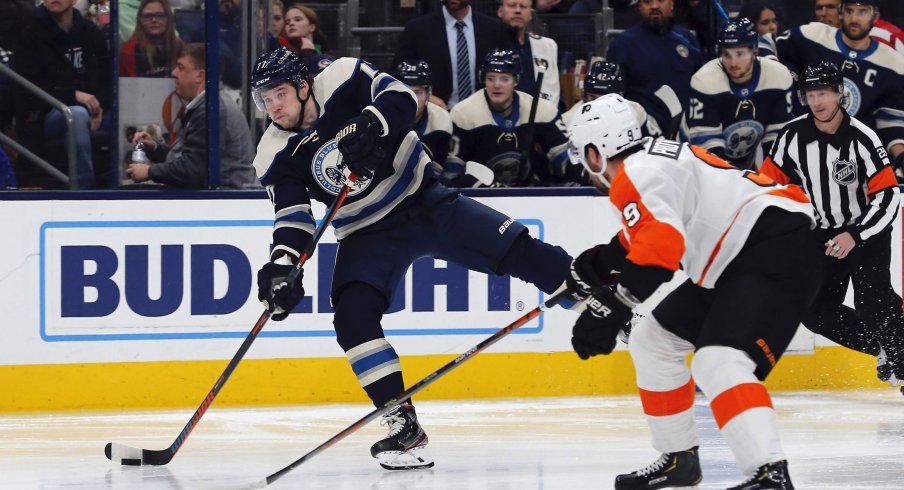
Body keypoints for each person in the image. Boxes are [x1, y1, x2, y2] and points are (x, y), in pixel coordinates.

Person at [250, 47, 576, 470]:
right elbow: (292, 216)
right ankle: (402, 426)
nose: (273, 106)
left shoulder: (344, 77)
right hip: (366, 234)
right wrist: (282, 265)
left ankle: (611, 306)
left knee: (518, 249)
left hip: (425, 201)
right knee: (352, 319)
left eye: (279, 94)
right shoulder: (272, 152)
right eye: (264, 99)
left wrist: (370, 123)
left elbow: (401, 96)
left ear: (302, 85)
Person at [565, 93, 818, 489]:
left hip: (772, 247)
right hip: (738, 254)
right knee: (654, 339)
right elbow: (656, 227)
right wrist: (600, 263)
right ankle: (679, 458)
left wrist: (610, 307)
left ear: (596, 153)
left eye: (581, 152)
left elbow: (663, 248)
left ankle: (769, 473)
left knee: (718, 361)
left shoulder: (632, 175)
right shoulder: (651, 159)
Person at [760, 61, 904, 391]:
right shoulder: (792, 136)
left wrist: (856, 234)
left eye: (823, 93)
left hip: (866, 231)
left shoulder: (863, 138)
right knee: (813, 308)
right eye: (810, 95)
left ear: (839, 94)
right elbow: (766, 186)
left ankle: (902, 360)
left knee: (874, 303)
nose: (817, 102)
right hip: (823, 236)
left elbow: (888, 196)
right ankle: (885, 349)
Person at [759, 0, 904, 176]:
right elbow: (765, 42)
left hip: (851, 164)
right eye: (849, 11)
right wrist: (777, 72)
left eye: (862, 12)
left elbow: (891, 122)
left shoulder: (894, 65)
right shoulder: (812, 36)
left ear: (875, 16)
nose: (854, 18)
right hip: (800, 152)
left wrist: (901, 155)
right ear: (841, 12)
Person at [127, 43, 257, 189]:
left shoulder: (214, 110)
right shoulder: (205, 105)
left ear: (200, 76)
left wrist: (150, 172)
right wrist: (155, 148)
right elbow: (190, 158)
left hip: (226, 203)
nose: (174, 73)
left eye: (181, 67)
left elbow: (193, 169)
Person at [15, 0, 112, 189]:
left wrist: (100, 105)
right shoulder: (29, 31)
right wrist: (72, 95)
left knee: (122, 123)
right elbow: (28, 88)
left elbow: (107, 79)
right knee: (76, 115)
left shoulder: (90, 32)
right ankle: (83, 189)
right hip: (45, 113)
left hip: (94, 110)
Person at [448, 49, 574, 187]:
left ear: (516, 81)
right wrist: (484, 186)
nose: (496, 85)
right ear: (483, 79)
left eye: (504, 79)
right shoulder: (463, 114)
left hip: (528, 195)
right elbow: (452, 173)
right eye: (491, 78)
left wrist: (585, 174)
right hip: (479, 198)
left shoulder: (541, 111)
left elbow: (565, 158)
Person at [686, 18, 794, 169]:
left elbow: (777, 138)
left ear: (755, 51)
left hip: (743, 164)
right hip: (693, 164)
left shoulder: (778, 77)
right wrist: (736, 180)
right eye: (726, 55)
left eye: (740, 54)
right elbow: (707, 145)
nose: (733, 63)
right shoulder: (704, 81)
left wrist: (771, 177)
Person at [606, 0, 702, 139]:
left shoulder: (688, 39)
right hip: (644, 136)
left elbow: (700, 87)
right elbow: (613, 99)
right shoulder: (623, 44)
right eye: (647, 2)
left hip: (686, 133)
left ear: (672, 5)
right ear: (639, 7)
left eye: (661, 0)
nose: (654, 6)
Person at [395, 0, 510, 109]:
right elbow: (396, 74)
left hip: (483, 113)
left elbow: (508, 73)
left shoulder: (494, 29)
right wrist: (427, 97)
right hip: (436, 113)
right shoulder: (417, 29)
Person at [561, 61, 662, 138]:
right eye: (592, 97)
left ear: (620, 96)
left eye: (605, 97)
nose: (598, 104)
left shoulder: (636, 111)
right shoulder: (569, 120)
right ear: (584, 95)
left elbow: (656, 143)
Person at [497, 0, 561, 107]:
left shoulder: (546, 46)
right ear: (500, 11)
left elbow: (556, 93)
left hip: (543, 117)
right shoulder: (491, 44)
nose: (517, 10)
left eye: (523, 6)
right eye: (512, 6)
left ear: (531, 14)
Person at [393, 60, 452, 170]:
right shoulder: (382, 119)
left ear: (428, 94)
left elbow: (441, 167)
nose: (411, 99)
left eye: (417, 92)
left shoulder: (441, 119)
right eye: (405, 91)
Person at [120, 0, 183, 78]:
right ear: (139, 20)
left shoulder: (180, 46)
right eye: (147, 16)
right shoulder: (130, 50)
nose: (154, 20)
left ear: (169, 19)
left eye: (160, 15)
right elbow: (133, 86)